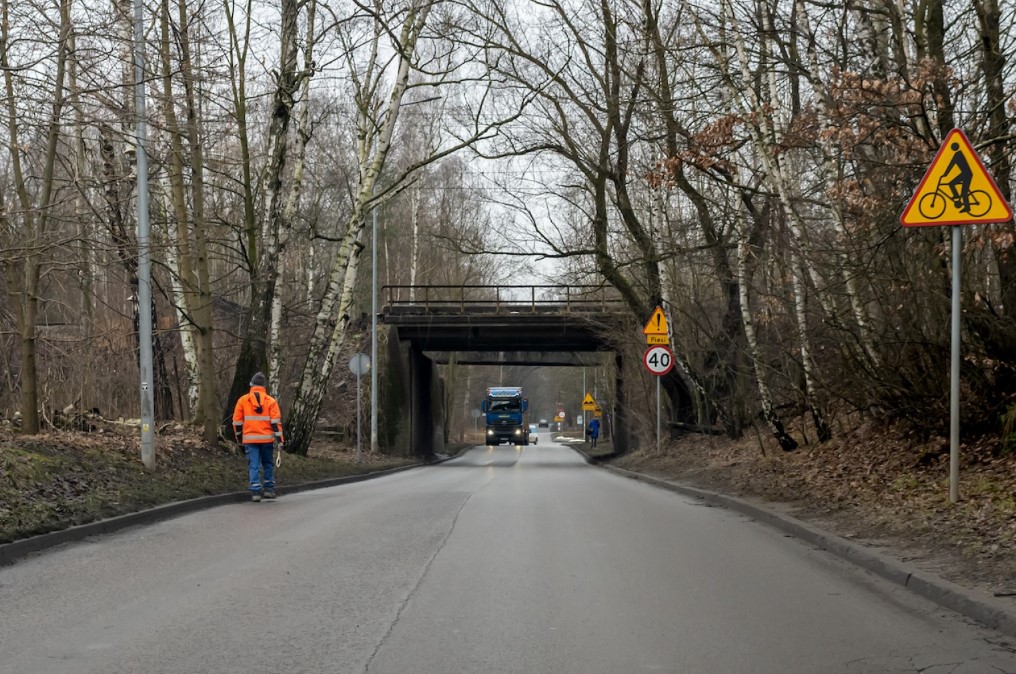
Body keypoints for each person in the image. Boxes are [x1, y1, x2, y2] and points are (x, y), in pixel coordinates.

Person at [233, 371, 284, 502]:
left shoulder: (243, 400)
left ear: (251, 385)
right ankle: (269, 490)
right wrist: (280, 441)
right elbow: (276, 424)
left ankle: (255, 492)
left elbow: (237, 423)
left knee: (253, 465)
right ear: (264, 386)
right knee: (268, 463)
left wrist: (239, 440)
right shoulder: (271, 402)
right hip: (267, 439)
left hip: (250, 440)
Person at [942, 142, 973, 213]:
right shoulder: (958, 154)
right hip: (964, 174)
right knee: (951, 183)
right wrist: (945, 174)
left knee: (964, 192)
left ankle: (967, 207)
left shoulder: (958, 155)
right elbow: (951, 164)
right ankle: (956, 196)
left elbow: (951, 165)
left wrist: (945, 174)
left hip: (967, 174)